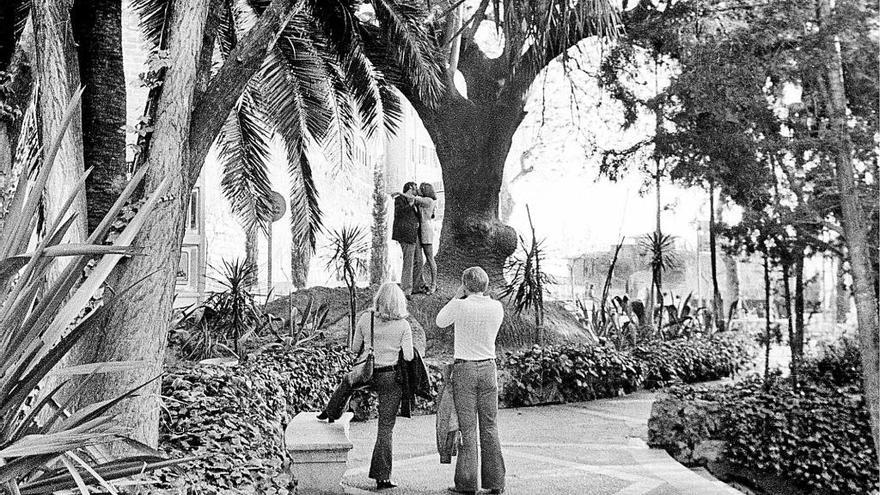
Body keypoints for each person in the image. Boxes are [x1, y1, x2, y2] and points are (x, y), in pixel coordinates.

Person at [320, 283, 414, 490]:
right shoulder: (403, 326)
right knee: (385, 427)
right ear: (399, 302)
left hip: (367, 372)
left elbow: (354, 349)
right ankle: (382, 478)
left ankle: (331, 411)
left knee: (348, 380)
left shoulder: (366, 318)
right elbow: (408, 356)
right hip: (390, 378)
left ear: (378, 299)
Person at [435, 267, 505, 495]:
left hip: (465, 368)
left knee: (468, 428)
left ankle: (466, 483)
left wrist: (457, 296)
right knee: (490, 426)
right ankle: (496, 482)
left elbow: (440, 321)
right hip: (488, 368)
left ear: (465, 285)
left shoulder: (460, 305)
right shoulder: (497, 307)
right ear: (485, 286)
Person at [397, 182, 438, 294]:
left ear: (425, 190)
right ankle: (418, 284)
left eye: (420, 188)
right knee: (419, 259)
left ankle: (433, 284)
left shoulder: (428, 200)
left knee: (429, 258)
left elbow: (412, 197)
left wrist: (399, 193)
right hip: (419, 232)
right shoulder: (421, 201)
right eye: (417, 188)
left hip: (426, 232)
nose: (418, 190)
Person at [391, 182, 421, 298]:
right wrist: (409, 204)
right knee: (408, 262)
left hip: (414, 234)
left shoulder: (412, 200)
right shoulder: (399, 200)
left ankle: (415, 286)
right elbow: (399, 213)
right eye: (415, 188)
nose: (416, 190)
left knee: (419, 260)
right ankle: (406, 290)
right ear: (410, 188)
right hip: (406, 235)